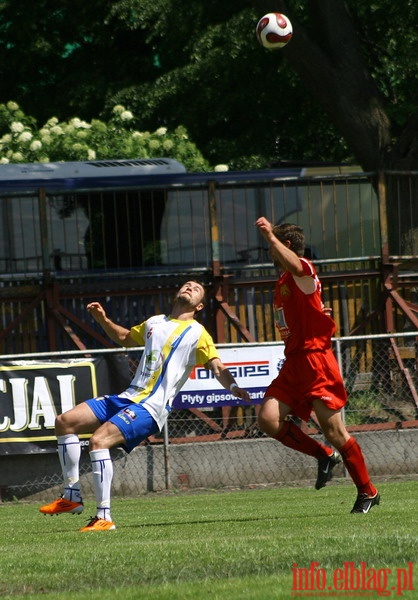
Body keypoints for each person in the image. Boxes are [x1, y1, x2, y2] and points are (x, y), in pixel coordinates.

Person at [40, 280, 250, 531]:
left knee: (98, 441)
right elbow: (125, 337)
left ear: (200, 305)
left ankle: (104, 517)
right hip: (129, 396)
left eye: (195, 289)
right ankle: (71, 497)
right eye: (186, 285)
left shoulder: (198, 334)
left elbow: (217, 366)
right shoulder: (154, 322)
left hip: (151, 407)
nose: (189, 288)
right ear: (177, 293)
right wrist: (102, 319)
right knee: (65, 422)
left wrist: (234, 387)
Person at [255, 218, 380, 514]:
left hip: (316, 361)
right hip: (294, 363)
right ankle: (324, 456)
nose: (269, 253)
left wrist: (269, 237)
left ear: (285, 246)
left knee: (335, 431)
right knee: (268, 419)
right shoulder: (286, 280)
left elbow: (300, 269)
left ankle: (368, 492)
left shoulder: (303, 268)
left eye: (273, 247)